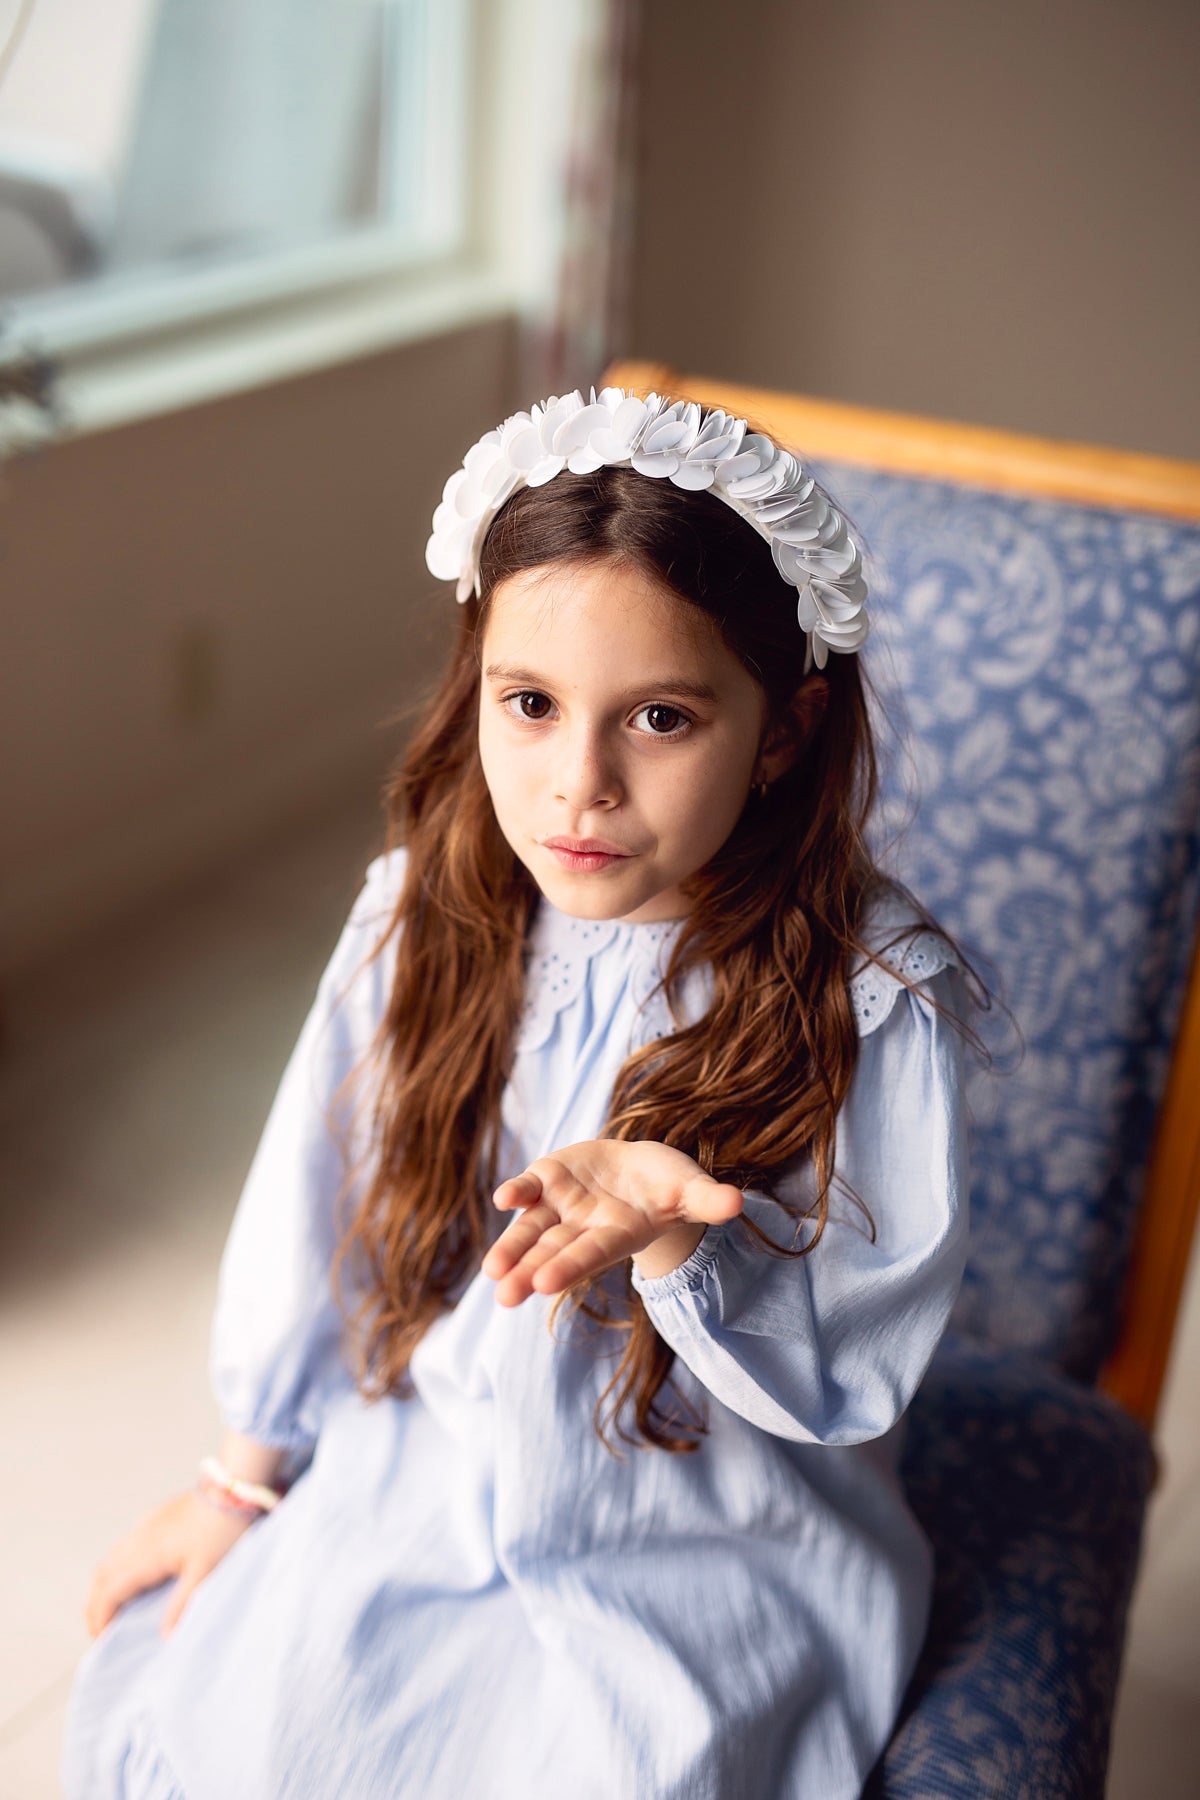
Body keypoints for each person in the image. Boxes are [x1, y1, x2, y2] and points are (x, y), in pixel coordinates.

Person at [63, 387, 970, 1799]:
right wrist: (243, 1474)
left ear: (784, 731)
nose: (578, 787)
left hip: (711, 1530)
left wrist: (676, 1238)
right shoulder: (427, 908)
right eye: (532, 707)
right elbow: (317, 1199)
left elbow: (853, 1361)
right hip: (438, 1462)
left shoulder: (875, 993)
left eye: (660, 717)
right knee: (249, 1741)